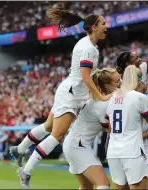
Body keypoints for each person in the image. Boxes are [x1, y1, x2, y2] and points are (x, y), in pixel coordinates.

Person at [13, 5, 111, 189]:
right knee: (57, 135)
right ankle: (26, 171)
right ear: (95, 26)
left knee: (49, 126)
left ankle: (20, 149)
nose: (107, 26)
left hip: (70, 91)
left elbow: (86, 77)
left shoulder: (89, 46)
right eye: (104, 23)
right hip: (72, 95)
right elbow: (84, 77)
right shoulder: (88, 48)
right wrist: (100, 96)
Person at [106, 65, 148, 189]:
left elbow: (110, 127)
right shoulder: (139, 97)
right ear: (138, 82)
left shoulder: (113, 98)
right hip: (132, 151)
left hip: (113, 152)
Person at [63, 68, 121, 190]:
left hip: (74, 144)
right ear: (107, 85)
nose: (120, 83)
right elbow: (111, 132)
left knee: (86, 187)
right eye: (117, 81)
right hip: (77, 146)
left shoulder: (97, 99)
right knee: (103, 184)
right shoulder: (102, 104)